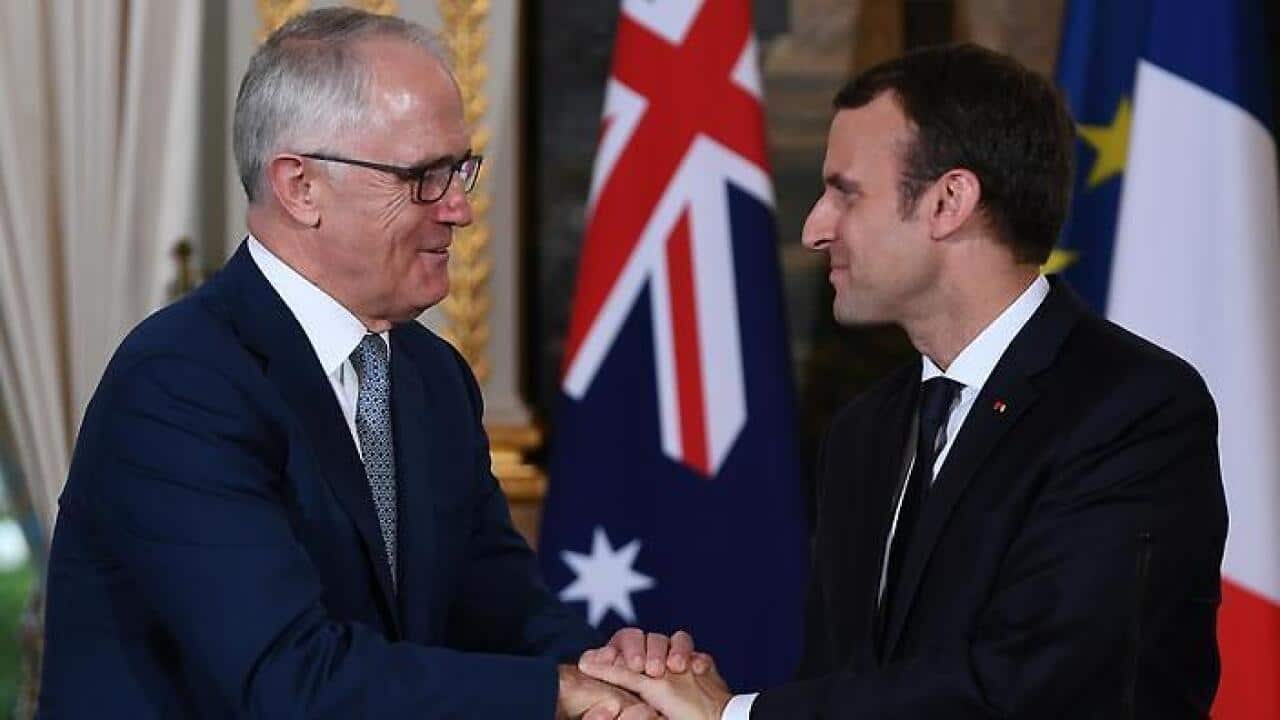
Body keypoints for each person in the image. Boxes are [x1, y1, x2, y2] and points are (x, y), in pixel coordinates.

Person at [38, 8, 664, 718]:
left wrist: (612, 676)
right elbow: (287, 680)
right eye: (424, 175)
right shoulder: (181, 384)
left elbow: (500, 608)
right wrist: (558, 694)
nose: (459, 208)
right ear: (300, 187)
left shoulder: (431, 376)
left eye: (461, 169)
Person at [578, 43, 1228, 719]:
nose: (814, 228)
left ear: (949, 200)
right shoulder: (868, 429)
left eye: (845, 193)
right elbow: (848, 681)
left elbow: (1037, 688)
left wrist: (736, 715)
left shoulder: (1132, 408)